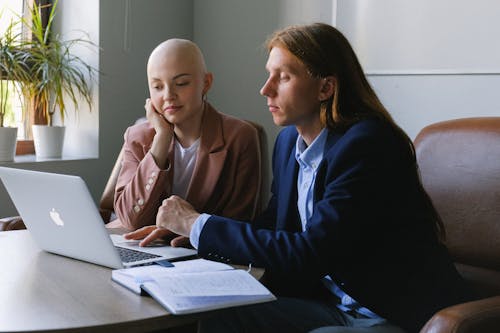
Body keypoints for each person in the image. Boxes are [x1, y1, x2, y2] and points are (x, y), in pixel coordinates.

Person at [125, 24, 474, 332]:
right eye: (268, 74)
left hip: (391, 313)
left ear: (325, 88)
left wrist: (198, 223)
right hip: (331, 304)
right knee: (219, 317)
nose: (266, 89)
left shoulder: (367, 145)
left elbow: (311, 252)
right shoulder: (289, 141)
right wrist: (193, 235)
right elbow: (277, 226)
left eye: (284, 77)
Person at [112, 39, 261, 247]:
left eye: (181, 83)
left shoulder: (241, 137)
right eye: (157, 86)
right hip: (144, 250)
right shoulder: (137, 137)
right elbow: (130, 218)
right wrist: (161, 139)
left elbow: (237, 225)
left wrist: (177, 234)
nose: (168, 96)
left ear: (206, 83)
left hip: (204, 256)